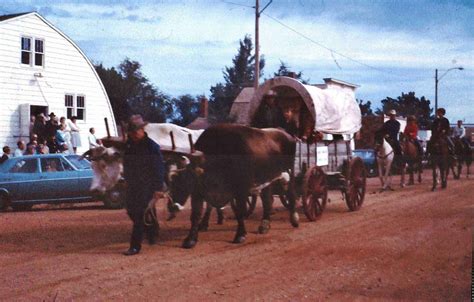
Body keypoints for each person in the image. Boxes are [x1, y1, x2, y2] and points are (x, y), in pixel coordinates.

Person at [122, 114, 165, 256]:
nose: (134, 135)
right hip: (133, 185)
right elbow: (126, 164)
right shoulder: (129, 145)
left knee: (139, 214)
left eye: (136, 132)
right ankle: (152, 230)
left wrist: (158, 188)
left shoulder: (152, 147)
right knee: (131, 211)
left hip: (147, 186)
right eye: (131, 132)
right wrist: (127, 180)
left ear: (142, 130)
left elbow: (159, 169)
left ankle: (135, 246)